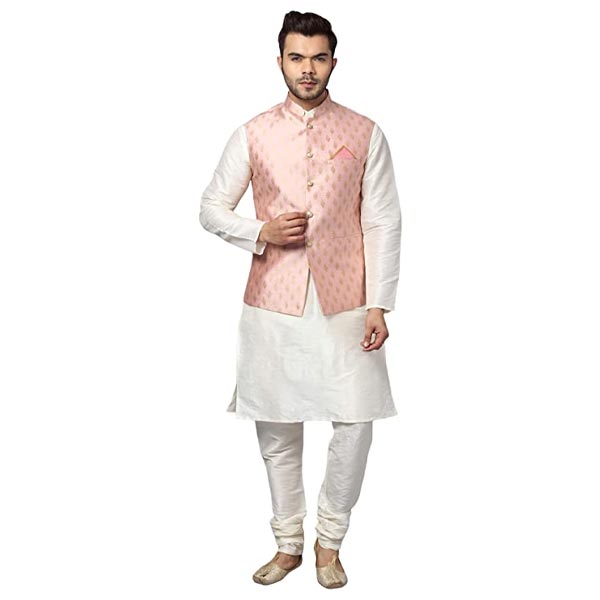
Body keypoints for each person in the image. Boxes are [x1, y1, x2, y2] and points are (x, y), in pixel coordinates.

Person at [199, 10, 402, 588]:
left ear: (333, 62)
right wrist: (259, 231)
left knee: (355, 420)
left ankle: (329, 542)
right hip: (272, 301)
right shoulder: (253, 132)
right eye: (296, 57)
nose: (307, 69)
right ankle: (287, 543)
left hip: (347, 301)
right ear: (281, 62)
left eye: (317, 58)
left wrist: (380, 303)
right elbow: (211, 208)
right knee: (276, 426)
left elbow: (382, 221)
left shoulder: (364, 132)